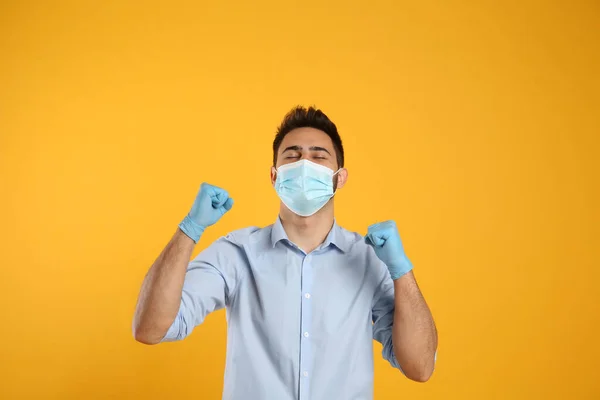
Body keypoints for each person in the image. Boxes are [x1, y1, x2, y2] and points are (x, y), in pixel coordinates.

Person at [132, 106, 438, 400]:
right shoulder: (237, 253)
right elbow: (150, 329)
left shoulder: (369, 259)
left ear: (339, 177)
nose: (305, 164)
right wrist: (190, 228)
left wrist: (401, 271)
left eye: (319, 157)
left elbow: (420, 367)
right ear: (275, 176)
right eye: (292, 156)